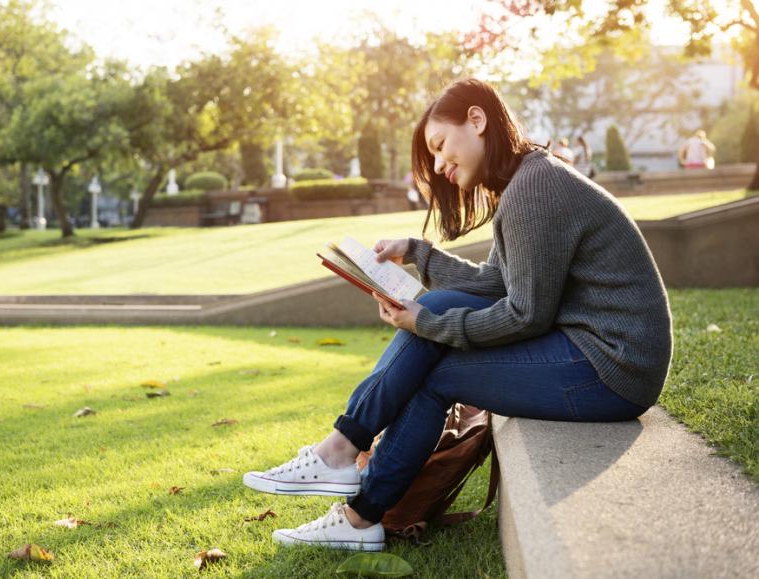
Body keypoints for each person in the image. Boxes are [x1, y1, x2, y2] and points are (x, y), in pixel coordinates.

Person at [243, 78, 673, 551]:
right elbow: (497, 283)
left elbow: (525, 314)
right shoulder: (528, 182)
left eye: (441, 146)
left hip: (612, 369)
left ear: (477, 119)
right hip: (591, 351)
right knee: (437, 307)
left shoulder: (536, 189)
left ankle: (348, 477)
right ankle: (350, 483)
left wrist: (424, 323)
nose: (440, 165)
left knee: (436, 355)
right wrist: (417, 253)